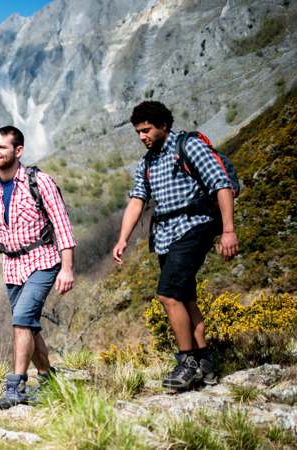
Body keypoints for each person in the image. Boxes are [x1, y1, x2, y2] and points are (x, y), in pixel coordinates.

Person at [113, 101, 237, 390]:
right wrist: (123, 239)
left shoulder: (188, 147)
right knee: (185, 298)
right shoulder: (146, 162)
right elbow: (136, 201)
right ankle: (205, 363)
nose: (142, 136)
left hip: (195, 226)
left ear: (163, 125)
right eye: (138, 132)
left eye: (147, 130)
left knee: (168, 295)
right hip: (166, 234)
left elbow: (221, 183)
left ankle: (187, 362)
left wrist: (228, 230)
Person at [0, 126, 76, 409]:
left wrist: (67, 268)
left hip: (43, 259)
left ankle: (15, 385)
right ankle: (48, 378)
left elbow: (62, 225)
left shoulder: (39, 181)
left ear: (18, 151)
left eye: (1, 147)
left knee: (21, 320)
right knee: (30, 326)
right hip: (12, 267)